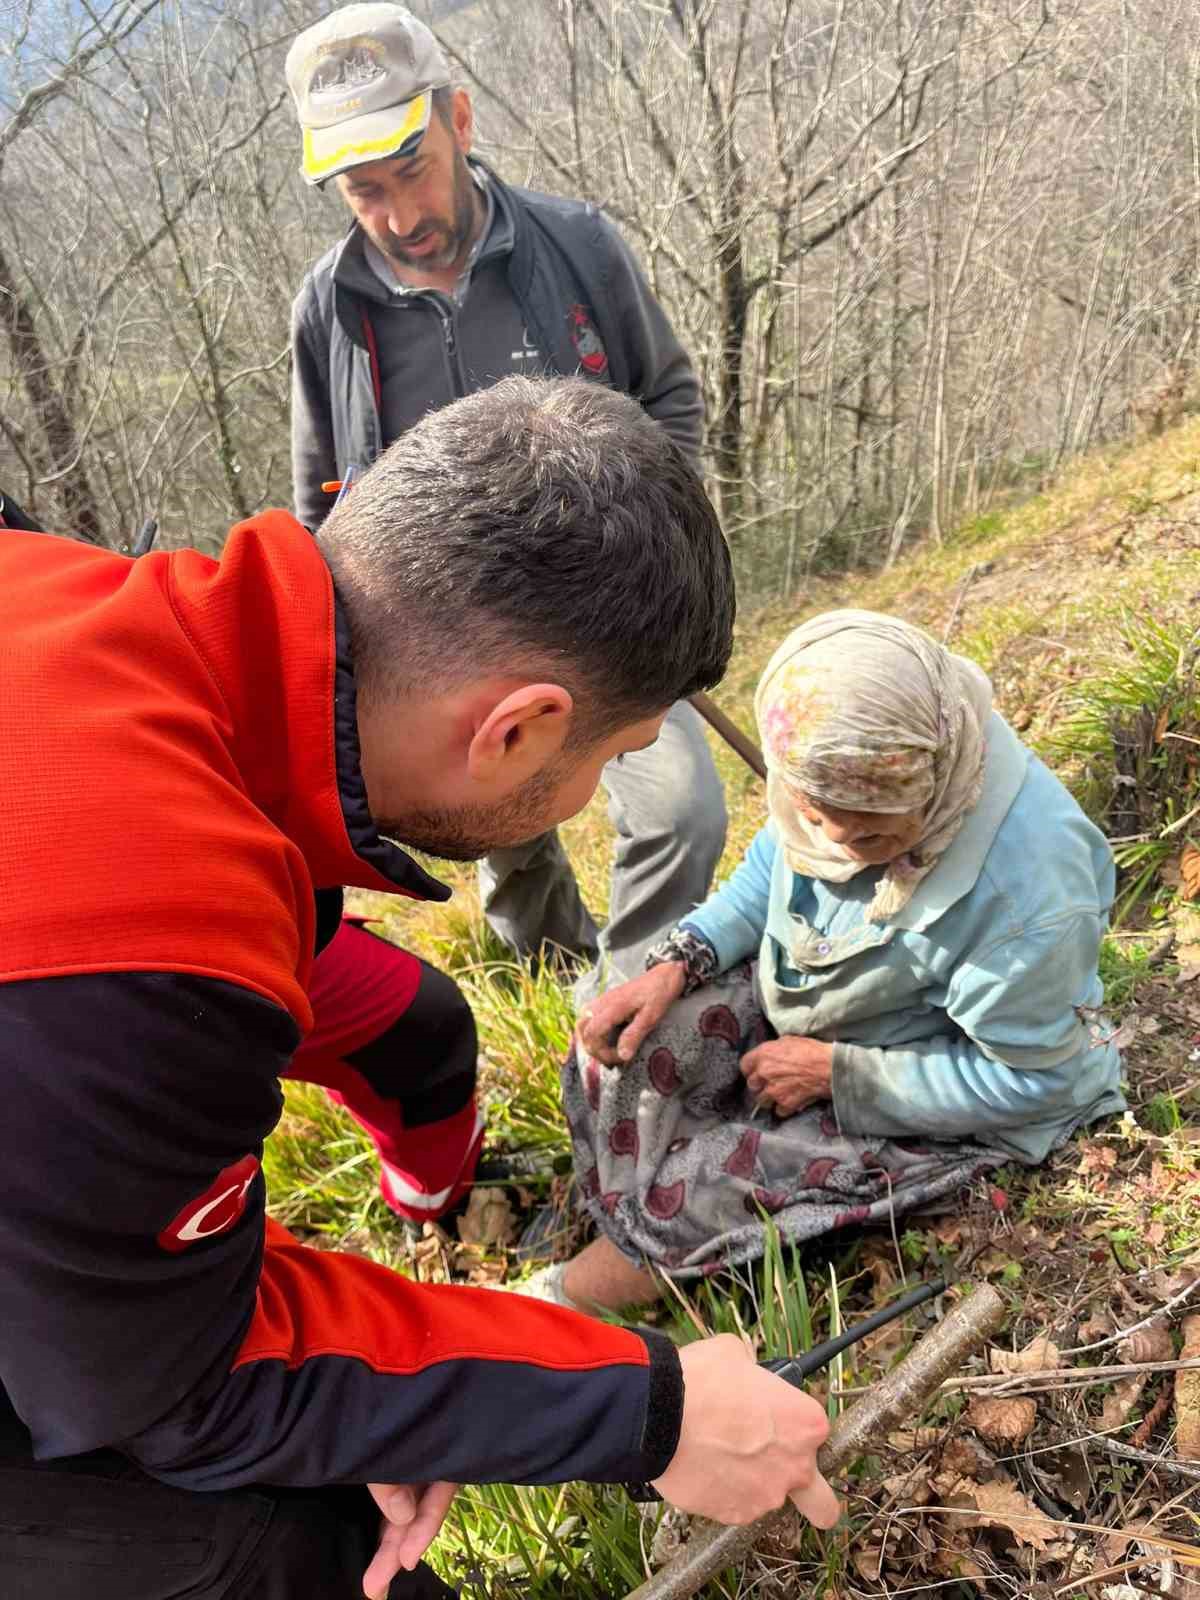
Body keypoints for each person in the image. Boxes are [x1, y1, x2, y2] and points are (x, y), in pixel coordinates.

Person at [0, 378, 840, 1600]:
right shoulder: (144, 942)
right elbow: (176, 1390)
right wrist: (649, 1409)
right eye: (608, 759)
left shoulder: (78, 608)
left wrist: (406, 1394)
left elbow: (99, 1220)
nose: (588, 798)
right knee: (284, 1552)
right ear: (516, 731)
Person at [286, 1, 726, 991]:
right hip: (449, 653)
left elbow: (668, 394)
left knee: (684, 811)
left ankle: (630, 1002)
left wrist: (658, 554)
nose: (401, 215)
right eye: (364, 191)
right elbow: (321, 498)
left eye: (412, 170)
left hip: (615, 611)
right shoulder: (329, 308)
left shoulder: (575, 246)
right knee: (505, 843)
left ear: (460, 119)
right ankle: (557, 988)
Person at [524, 610, 1126, 1314]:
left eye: (870, 837)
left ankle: (574, 1296)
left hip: (937, 1078)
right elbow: (770, 873)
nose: (836, 844)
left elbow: (1037, 1080)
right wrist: (678, 962)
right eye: (813, 817)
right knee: (627, 1045)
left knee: (702, 1189)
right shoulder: (840, 762)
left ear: (932, 793)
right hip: (831, 997)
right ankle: (617, 1217)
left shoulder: (1026, 898)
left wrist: (837, 1075)